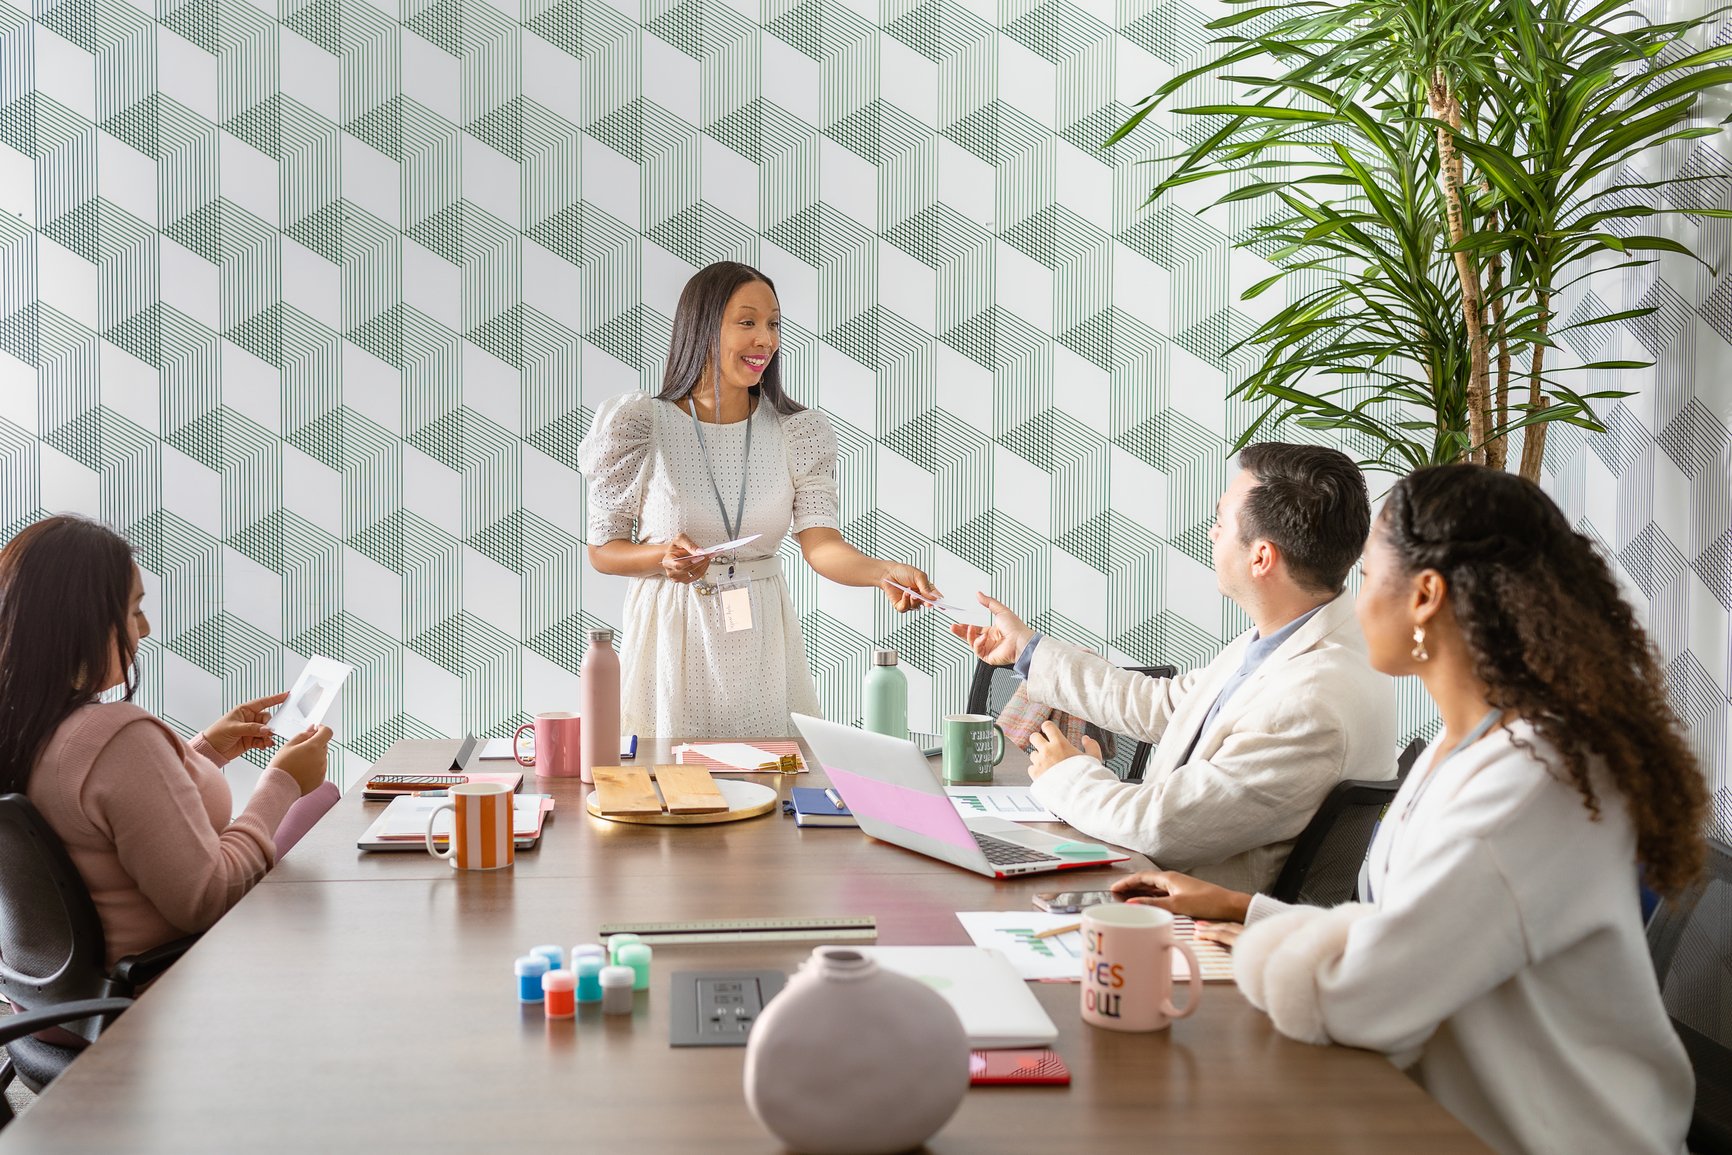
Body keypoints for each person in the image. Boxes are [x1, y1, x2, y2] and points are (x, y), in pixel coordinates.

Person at [1114, 464, 1702, 1155]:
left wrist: (1259, 945)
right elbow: (1413, 930)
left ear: (1425, 594)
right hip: (1446, 1113)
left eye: (1364, 577)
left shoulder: (1531, 781)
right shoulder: (1461, 748)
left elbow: (1364, 998)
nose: (1353, 604)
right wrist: (1245, 909)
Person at [952, 442, 1396, 892]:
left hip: (1203, 931)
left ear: (1261, 557)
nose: (1210, 534)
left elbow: (1158, 826)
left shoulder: (1310, 700)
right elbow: (1162, 704)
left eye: (1220, 523)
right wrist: (1027, 649)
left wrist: (1065, 773)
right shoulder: (1287, 640)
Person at [578, 261, 939, 738]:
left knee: (773, 782)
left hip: (763, 639)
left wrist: (881, 572)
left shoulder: (797, 430)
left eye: (773, 323)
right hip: (673, 633)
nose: (765, 339)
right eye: (747, 322)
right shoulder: (641, 424)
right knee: (672, 791)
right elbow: (603, 551)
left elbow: (820, 544)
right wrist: (661, 556)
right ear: (702, 328)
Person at [0, 515, 335, 970]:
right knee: (324, 801)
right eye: (134, 610)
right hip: (160, 992)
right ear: (84, 623)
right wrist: (282, 783)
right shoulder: (115, 736)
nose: (146, 628)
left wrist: (204, 752)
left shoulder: (27, 724)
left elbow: (94, 807)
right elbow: (206, 898)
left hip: (54, 1005)